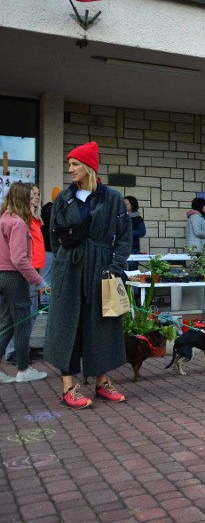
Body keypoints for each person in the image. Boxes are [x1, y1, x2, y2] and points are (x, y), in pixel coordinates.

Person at [44, 141, 132, 409]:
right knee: (67, 325)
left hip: (101, 269)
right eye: (69, 164)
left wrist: (113, 268)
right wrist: (63, 263)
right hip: (68, 270)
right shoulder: (63, 198)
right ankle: (69, 387)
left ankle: (102, 383)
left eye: (74, 164)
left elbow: (124, 239)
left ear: (89, 167)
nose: (70, 169)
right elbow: (54, 237)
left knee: (101, 325)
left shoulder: (113, 198)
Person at [0, 182, 49, 383]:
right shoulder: (18, 223)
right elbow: (19, 258)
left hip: (2, 276)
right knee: (22, 324)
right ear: (23, 198)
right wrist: (40, 282)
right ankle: (23, 369)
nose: (34, 199)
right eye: (31, 195)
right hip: (14, 278)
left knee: (6, 324)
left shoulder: (4, 218)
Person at [124, 195, 146, 271]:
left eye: (126, 204)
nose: (124, 206)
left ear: (132, 205)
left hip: (133, 249)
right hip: (118, 248)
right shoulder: (119, 217)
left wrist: (127, 232)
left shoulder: (138, 218)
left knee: (132, 271)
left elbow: (142, 232)